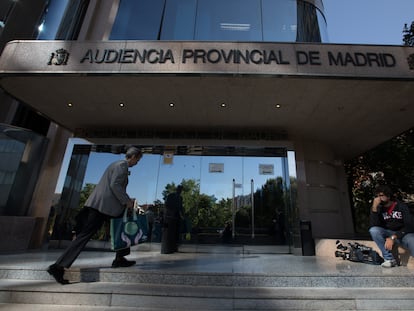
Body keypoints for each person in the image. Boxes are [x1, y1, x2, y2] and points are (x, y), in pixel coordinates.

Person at [47, 147, 143, 284]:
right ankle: (58, 266)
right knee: (86, 235)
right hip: (103, 207)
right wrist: (126, 201)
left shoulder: (116, 165)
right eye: (137, 160)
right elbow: (115, 185)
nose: (137, 163)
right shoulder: (121, 165)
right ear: (133, 157)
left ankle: (120, 258)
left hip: (106, 206)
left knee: (120, 229)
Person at [369, 184, 414, 268]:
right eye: (377, 196)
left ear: (388, 196)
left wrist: (394, 237)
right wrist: (374, 208)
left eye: (381, 195)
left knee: (412, 239)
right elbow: (374, 225)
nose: (378, 198)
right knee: (373, 230)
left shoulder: (401, 206)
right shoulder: (378, 208)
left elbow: (410, 226)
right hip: (388, 232)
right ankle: (389, 259)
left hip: (403, 233)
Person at [161, 185, 184, 254]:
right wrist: (169, 213)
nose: (180, 191)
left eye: (181, 190)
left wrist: (181, 215)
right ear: (177, 189)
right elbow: (167, 204)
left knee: (176, 232)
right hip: (170, 216)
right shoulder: (171, 195)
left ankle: (174, 247)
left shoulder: (180, 198)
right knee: (170, 232)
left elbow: (180, 207)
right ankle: (168, 248)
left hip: (176, 217)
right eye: (179, 189)